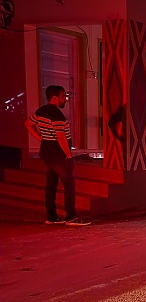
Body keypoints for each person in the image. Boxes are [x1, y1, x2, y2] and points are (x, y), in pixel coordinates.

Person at [24, 85, 91, 225]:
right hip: (59, 155)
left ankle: (51, 216)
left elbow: (28, 124)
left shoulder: (40, 111)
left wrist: (41, 138)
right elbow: (61, 137)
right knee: (69, 185)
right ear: (55, 97)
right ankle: (71, 217)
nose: (65, 99)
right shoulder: (57, 115)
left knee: (51, 185)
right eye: (63, 96)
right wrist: (69, 155)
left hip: (46, 153)